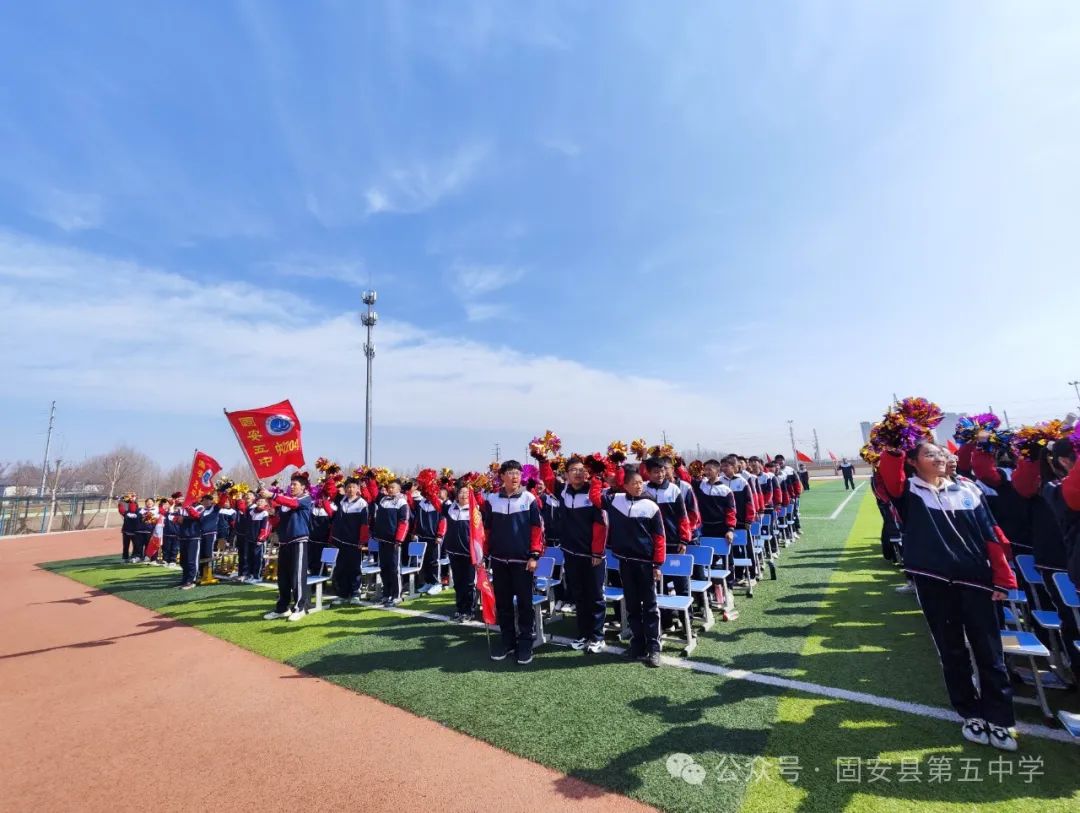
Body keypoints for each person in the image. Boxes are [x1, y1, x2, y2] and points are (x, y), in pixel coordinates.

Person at [878, 441, 1020, 751]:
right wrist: (895, 444)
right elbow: (889, 475)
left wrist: (1002, 577)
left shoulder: (967, 490)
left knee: (990, 653)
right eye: (930, 454)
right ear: (913, 462)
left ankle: (1000, 719)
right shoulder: (909, 492)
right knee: (952, 651)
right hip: (934, 583)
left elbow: (990, 532)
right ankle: (970, 713)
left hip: (977, 580)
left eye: (941, 453)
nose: (940, 458)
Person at [540, 455, 607, 653]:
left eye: (581, 470)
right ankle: (583, 634)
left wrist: (597, 552)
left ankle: (597, 636)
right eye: (573, 470)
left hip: (592, 555)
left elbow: (600, 525)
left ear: (587, 473)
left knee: (595, 596)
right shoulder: (563, 492)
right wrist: (543, 458)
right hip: (570, 552)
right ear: (566, 474)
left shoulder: (594, 494)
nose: (578, 473)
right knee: (579, 595)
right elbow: (548, 479)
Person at [601, 467, 665, 667]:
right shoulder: (615, 500)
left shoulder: (651, 506)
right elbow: (595, 497)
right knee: (632, 605)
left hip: (645, 563)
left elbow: (660, 538)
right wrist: (598, 472)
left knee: (650, 606)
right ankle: (637, 644)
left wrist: (657, 564)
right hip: (625, 562)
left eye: (640, 482)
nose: (638, 486)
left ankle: (654, 647)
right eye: (634, 483)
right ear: (625, 485)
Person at [482, 460, 543, 665]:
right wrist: (484, 553)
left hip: (522, 562)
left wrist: (534, 555)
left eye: (517, 473)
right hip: (499, 561)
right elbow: (486, 530)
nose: (515, 476)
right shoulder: (492, 500)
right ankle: (507, 641)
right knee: (504, 604)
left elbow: (536, 529)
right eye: (510, 473)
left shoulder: (529, 498)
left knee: (525, 604)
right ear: (502, 477)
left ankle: (525, 642)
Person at [261, 472, 314, 621]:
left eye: (295, 484)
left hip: (299, 541)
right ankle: (282, 608)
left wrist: (272, 496)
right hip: (284, 542)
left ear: (303, 487)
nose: (291, 486)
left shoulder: (305, 498)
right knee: (283, 578)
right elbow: (278, 523)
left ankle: (300, 607)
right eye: (291, 484)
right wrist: (272, 514)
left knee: (297, 575)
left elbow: (294, 504)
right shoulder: (284, 505)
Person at [329, 477, 370, 604]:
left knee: (354, 569)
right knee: (341, 568)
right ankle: (342, 594)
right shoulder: (341, 501)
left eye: (353, 487)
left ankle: (355, 594)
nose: (350, 489)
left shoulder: (362, 503)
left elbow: (364, 525)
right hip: (340, 542)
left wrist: (362, 541)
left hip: (354, 543)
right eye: (348, 487)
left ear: (358, 489)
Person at [441, 481, 477, 621]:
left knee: (469, 584)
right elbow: (433, 498)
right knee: (458, 583)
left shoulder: (475, 509)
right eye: (461, 492)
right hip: (453, 552)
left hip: (469, 553)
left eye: (466, 493)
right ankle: (460, 608)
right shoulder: (450, 508)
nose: (463, 495)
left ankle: (469, 610)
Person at [371, 479, 411, 606]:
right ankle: (387, 593)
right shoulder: (383, 500)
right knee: (384, 568)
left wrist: (399, 539)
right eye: (389, 487)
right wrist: (371, 480)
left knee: (394, 569)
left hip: (394, 542)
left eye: (393, 487)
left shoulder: (401, 502)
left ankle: (397, 595)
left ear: (399, 489)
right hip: (382, 540)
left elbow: (404, 522)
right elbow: (373, 494)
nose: (390, 489)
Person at [119, 494, 140, 562]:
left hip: (135, 529)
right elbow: (121, 511)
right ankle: (125, 557)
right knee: (126, 545)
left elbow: (133, 510)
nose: (130, 498)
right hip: (126, 529)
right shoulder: (123, 505)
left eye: (132, 497)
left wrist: (132, 502)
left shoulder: (135, 505)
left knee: (136, 544)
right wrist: (122, 501)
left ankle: (134, 556)